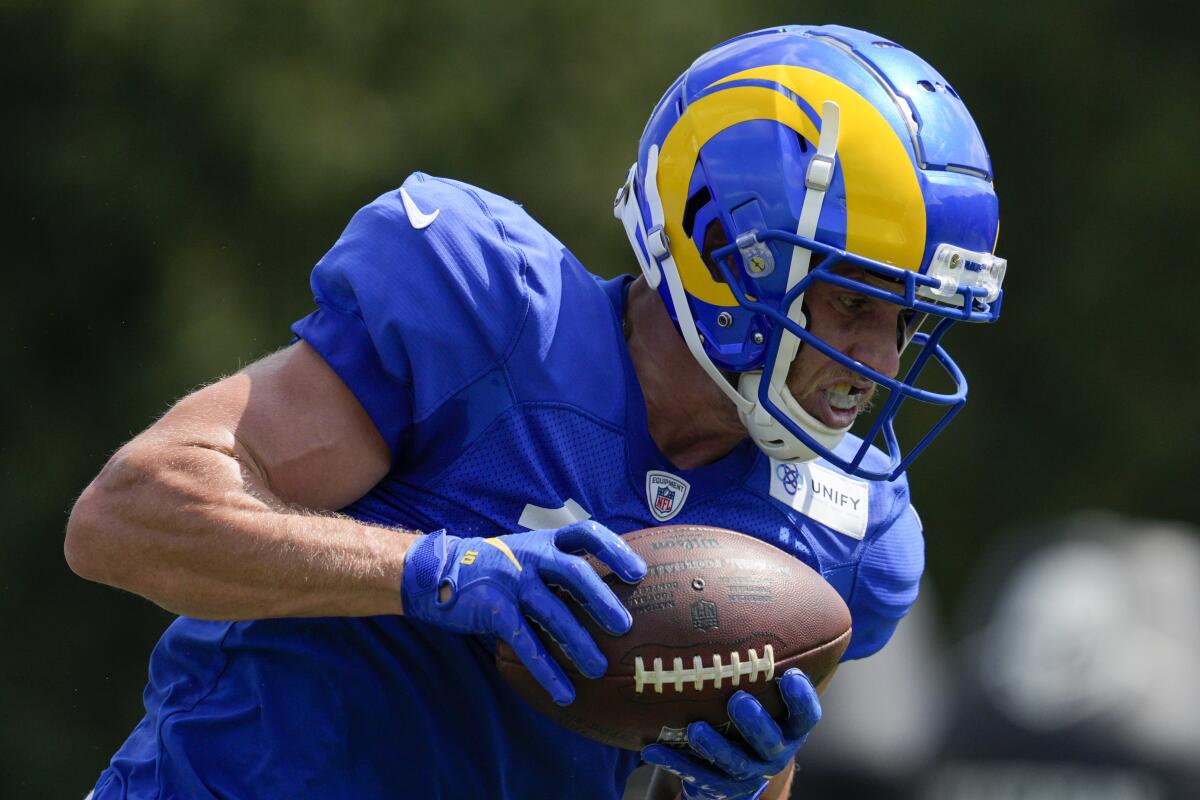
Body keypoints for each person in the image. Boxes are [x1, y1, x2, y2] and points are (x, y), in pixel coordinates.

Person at [65, 23, 1006, 800]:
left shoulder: (842, 521)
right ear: (726, 252)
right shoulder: (493, 315)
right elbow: (127, 520)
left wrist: (749, 784)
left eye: (907, 319)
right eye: (854, 304)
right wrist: (436, 570)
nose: (880, 363)